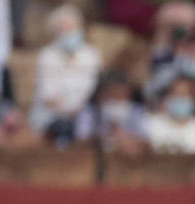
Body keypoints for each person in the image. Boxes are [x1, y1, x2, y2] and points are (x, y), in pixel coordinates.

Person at [30, 5, 102, 142]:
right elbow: (49, 97)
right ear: (55, 33)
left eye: (73, 28)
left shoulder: (91, 55)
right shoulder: (46, 56)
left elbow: (96, 88)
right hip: (53, 115)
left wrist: (80, 110)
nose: (70, 33)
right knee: (62, 129)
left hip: (84, 113)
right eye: (65, 29)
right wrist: (69, 110)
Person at [75, 70, 149, 154]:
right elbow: (81, 141)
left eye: (121, 95)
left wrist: (122, 136)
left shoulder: (136, 111)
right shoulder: (89, 112)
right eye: (112, 95)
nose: (117, 100)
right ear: (100, 96)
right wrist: (108, 138)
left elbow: (145, 141)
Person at [145, 73, 195, 151]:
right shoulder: (152, 125)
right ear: (168, 96)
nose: (181, 98)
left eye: (185, 94)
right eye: (176, 94)